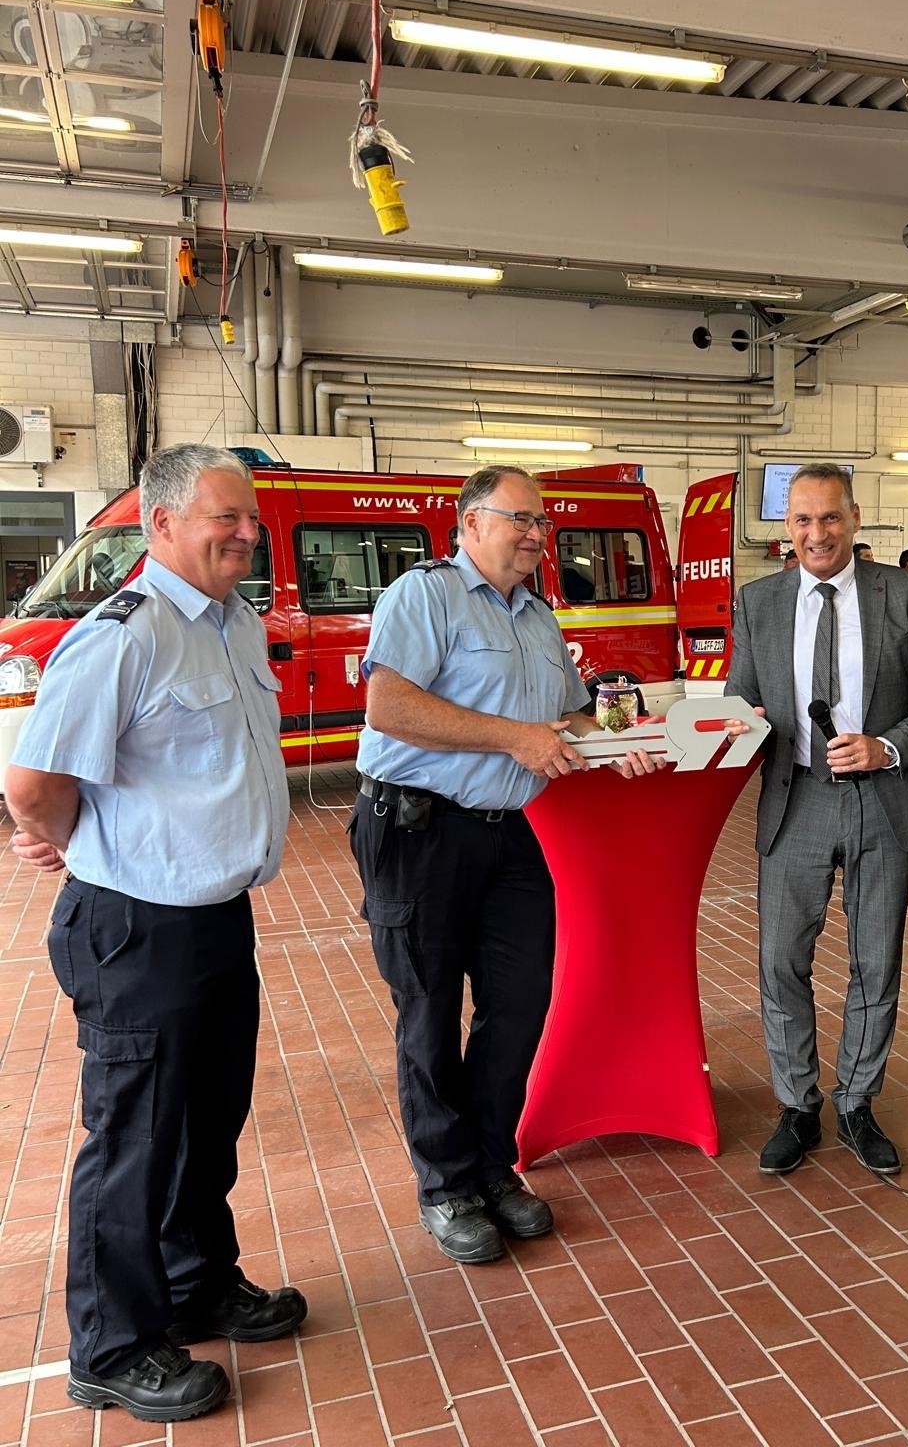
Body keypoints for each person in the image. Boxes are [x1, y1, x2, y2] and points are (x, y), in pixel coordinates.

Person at [5, 444, 303, 1423]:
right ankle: (112, 1345)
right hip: (136, 923)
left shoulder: (236, 623)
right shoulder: (122, 636)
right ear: (162, 523)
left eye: (250, 517)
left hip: (215, 917)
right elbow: (33, 785)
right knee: (135, 1136)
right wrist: (76, 844)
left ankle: (194, 1284)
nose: (247, 532)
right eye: (226, 516)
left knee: (206, 1120)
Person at [350, 464, 659, 1267]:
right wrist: (513, 738)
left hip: (512, 835)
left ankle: (493, 1165)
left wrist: (624, 741)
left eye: (542, 522)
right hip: (417, 831)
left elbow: (570, 715)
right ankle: (446, 1186)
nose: (536, 534)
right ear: (470, 523)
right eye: (520, 519)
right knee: (428, 1012)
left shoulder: (538, 616)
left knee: (518, 1004)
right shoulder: (424, 596)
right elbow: (389, 706)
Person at [724, 464, 908, 1178]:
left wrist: (888, 746)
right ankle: (797, 1105)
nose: (817, 533)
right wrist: (726, 726)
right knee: (780, 960)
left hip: (884, 799)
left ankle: (857, 1101)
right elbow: (739, 698)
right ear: (787, 528)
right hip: (796, 798)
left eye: (830, 517)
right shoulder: (760, 602)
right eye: (803, 520)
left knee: (875, 961)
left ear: (855, 519)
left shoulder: (904, 594)